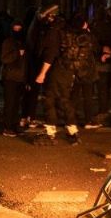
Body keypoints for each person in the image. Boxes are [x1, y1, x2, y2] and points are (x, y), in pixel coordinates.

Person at [34, 9, 81, 145]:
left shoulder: (53, 32)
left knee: (49, 100)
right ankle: (73, 131)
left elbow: (50, 55)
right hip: (66, 71)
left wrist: (42, 73)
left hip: (55, 71)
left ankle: (50, 132)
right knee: (64, 100)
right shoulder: (67, 30)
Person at [0, 19, 28, 137]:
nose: (17, 31)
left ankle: (13, 125)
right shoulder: (8, 42)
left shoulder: (23, 42)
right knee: (10, 103)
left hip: (20, 77)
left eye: (19, 29)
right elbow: (4, 59)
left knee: (16, 103)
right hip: (11, 76)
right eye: (15, 29)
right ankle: (7, 126)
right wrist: (17, 53)